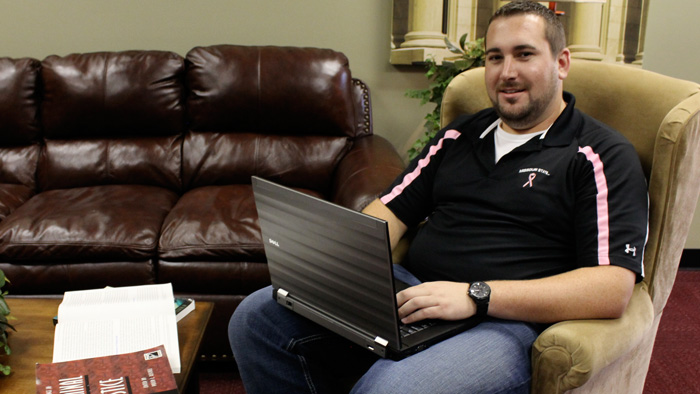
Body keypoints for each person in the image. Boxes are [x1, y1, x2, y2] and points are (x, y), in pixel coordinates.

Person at [228, 1, 649, 393]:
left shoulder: (598, 154)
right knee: (256, 318)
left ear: (561, 63)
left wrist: (475, 295)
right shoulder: (460, 136)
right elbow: (384, 217)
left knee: (392, 389)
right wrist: (330, 268)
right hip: (415, 295)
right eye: (495, 57)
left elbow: (611, 288)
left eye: (524, 54)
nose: (507, 72)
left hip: (506, 322)